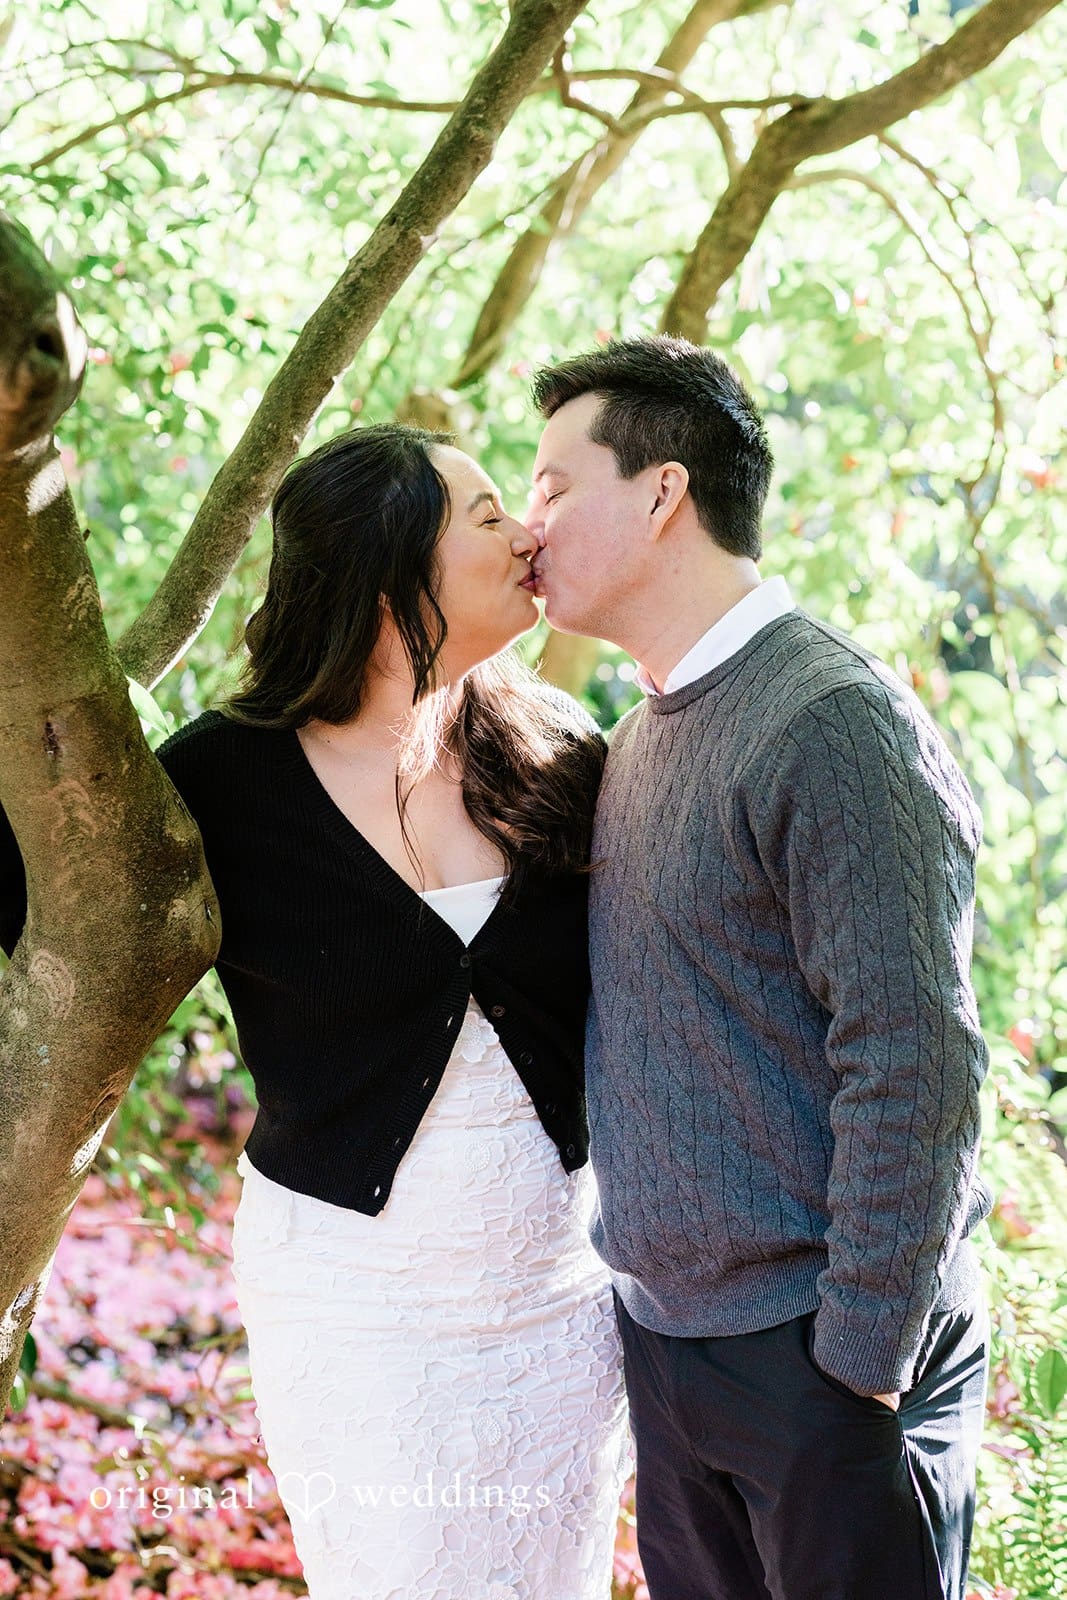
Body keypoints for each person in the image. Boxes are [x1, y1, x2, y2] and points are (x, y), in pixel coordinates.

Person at [0, 423, 629, 1599]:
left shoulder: (560, 752)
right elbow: (39, 895)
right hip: (356, 1305)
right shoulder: (218, 780)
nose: (525, 533)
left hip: (555, 1301)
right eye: (486, 514)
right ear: (388, 576)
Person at [524, 335, 993, 1600]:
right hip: (676, 1351)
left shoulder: (826, 719)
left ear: (661, 492)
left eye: (554, 484)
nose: (529, 522)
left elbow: (917, 1058)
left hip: (821, 1361)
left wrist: (860, 1356)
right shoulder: (637, 738)